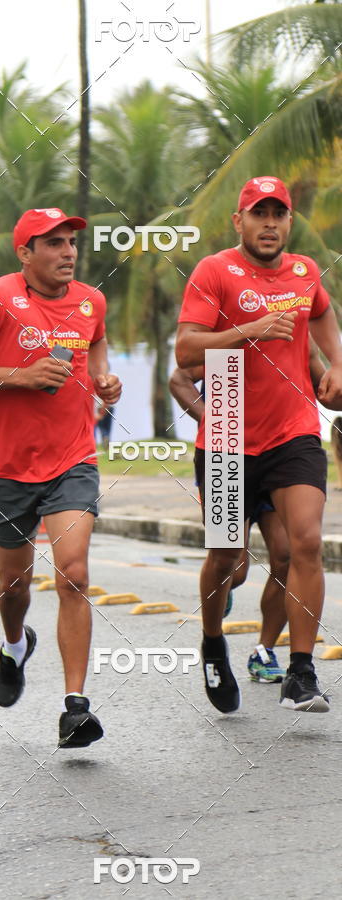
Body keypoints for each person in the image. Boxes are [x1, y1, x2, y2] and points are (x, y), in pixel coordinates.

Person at [0, 207, 122, 748]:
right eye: (54, 243)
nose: (68, 252)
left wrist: (103, 379)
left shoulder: (92, 300)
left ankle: (75, 708)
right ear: (25, 253)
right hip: (7, 469)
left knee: (74, 574)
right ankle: (15, 645)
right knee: (14, 586)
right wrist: (19, 376)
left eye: (71, 242)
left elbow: (96, 346)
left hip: (73, 460)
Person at [175, 175, 342, 714]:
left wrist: (337, 363)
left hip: (293, 429)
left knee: (303, 545)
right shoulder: (214, 271)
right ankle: (212, 641)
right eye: (258, 213)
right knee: (227, 556)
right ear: (239, 221)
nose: (269, 223)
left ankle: (300, 670)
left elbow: (320, 312)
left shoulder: (304, 272)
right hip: (225, 426)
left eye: (279, 214)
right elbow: (185, 349)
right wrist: (249, 329)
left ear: (289, 222)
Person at [169, 336, 328, 683]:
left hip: (282, 451)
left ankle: (264, 650)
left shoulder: (294, 338)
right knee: (233, 565)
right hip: (226, 455)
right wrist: (208, 418)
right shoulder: (232, 342)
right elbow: (179, 378)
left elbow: (323, 386)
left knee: (287, 556)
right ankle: (214, 629)